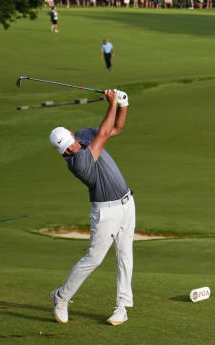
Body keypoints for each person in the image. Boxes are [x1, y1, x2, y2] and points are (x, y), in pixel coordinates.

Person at [49, 89, 134, 326]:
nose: (73, 146)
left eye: (72, 140)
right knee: (94, 259)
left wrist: (123, 105)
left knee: (125, 256)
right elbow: (105, 132)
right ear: (64, 152)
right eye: (69, 147)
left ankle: (122, 307)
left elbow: (115, 129)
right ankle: (61, 297)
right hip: (105, 211)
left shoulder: (84, 135)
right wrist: (112, 103)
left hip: (127, 202)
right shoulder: (78, 163)